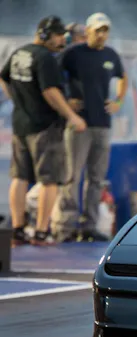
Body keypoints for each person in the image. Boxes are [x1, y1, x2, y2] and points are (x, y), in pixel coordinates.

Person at [0, 16, 86, 247]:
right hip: (45, 127)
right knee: (49, 180)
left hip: (21, 124)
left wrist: (19, 100)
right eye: (58, 35)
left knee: (19, 177)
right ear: (45, 34)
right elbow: (50, 92)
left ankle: (17, 230)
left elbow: (3, 77)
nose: (62, 40)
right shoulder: (45, 58)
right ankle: (41, 232)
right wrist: (72, 115)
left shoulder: (20, 53)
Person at [51, 12, 128, 243]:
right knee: (72, 176)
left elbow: (123, 77)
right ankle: (65, 226)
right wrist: (66, 100)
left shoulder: (110, 55)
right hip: (79, 123)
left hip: (102, 124)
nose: (102, 35)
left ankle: (89, 226)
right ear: (88, 31)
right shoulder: (73, 53)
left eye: (105, 31)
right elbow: (52, 76)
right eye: (98, 30)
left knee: (96, 178)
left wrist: (118, 101)